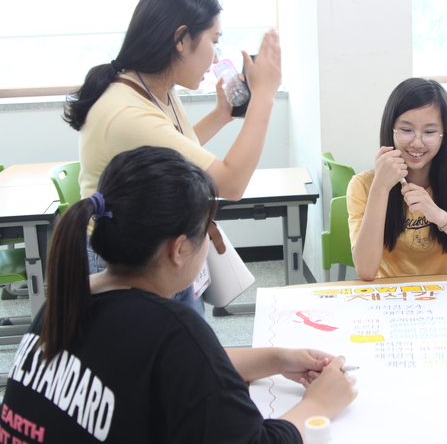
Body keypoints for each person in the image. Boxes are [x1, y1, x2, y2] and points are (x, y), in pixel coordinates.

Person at [0, 146, 357, 443]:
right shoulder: (172, 327)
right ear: (179, 249)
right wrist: (317, 406)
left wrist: (278, 358)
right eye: (207, 232)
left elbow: (184, 370)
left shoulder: (68, 299)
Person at [62, 0, 281, 315]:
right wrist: (263, 96)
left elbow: (173, 150)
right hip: (125, 260)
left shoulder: (152, 88)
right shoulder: (126, 111)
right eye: (214, 40)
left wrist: (222, 115)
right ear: (181, 39)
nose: (216, 55)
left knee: (182, 357)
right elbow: (230, 183)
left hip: (159, 248)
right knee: (169, 358)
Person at [347, 78, 447, 280]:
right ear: (391, 129)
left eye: (429, 132)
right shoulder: (363, 185)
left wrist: (440, 216)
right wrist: (380, 189)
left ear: (444, 135)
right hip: (391, 298)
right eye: (406, 130)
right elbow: (366, 270)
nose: (417, 142)